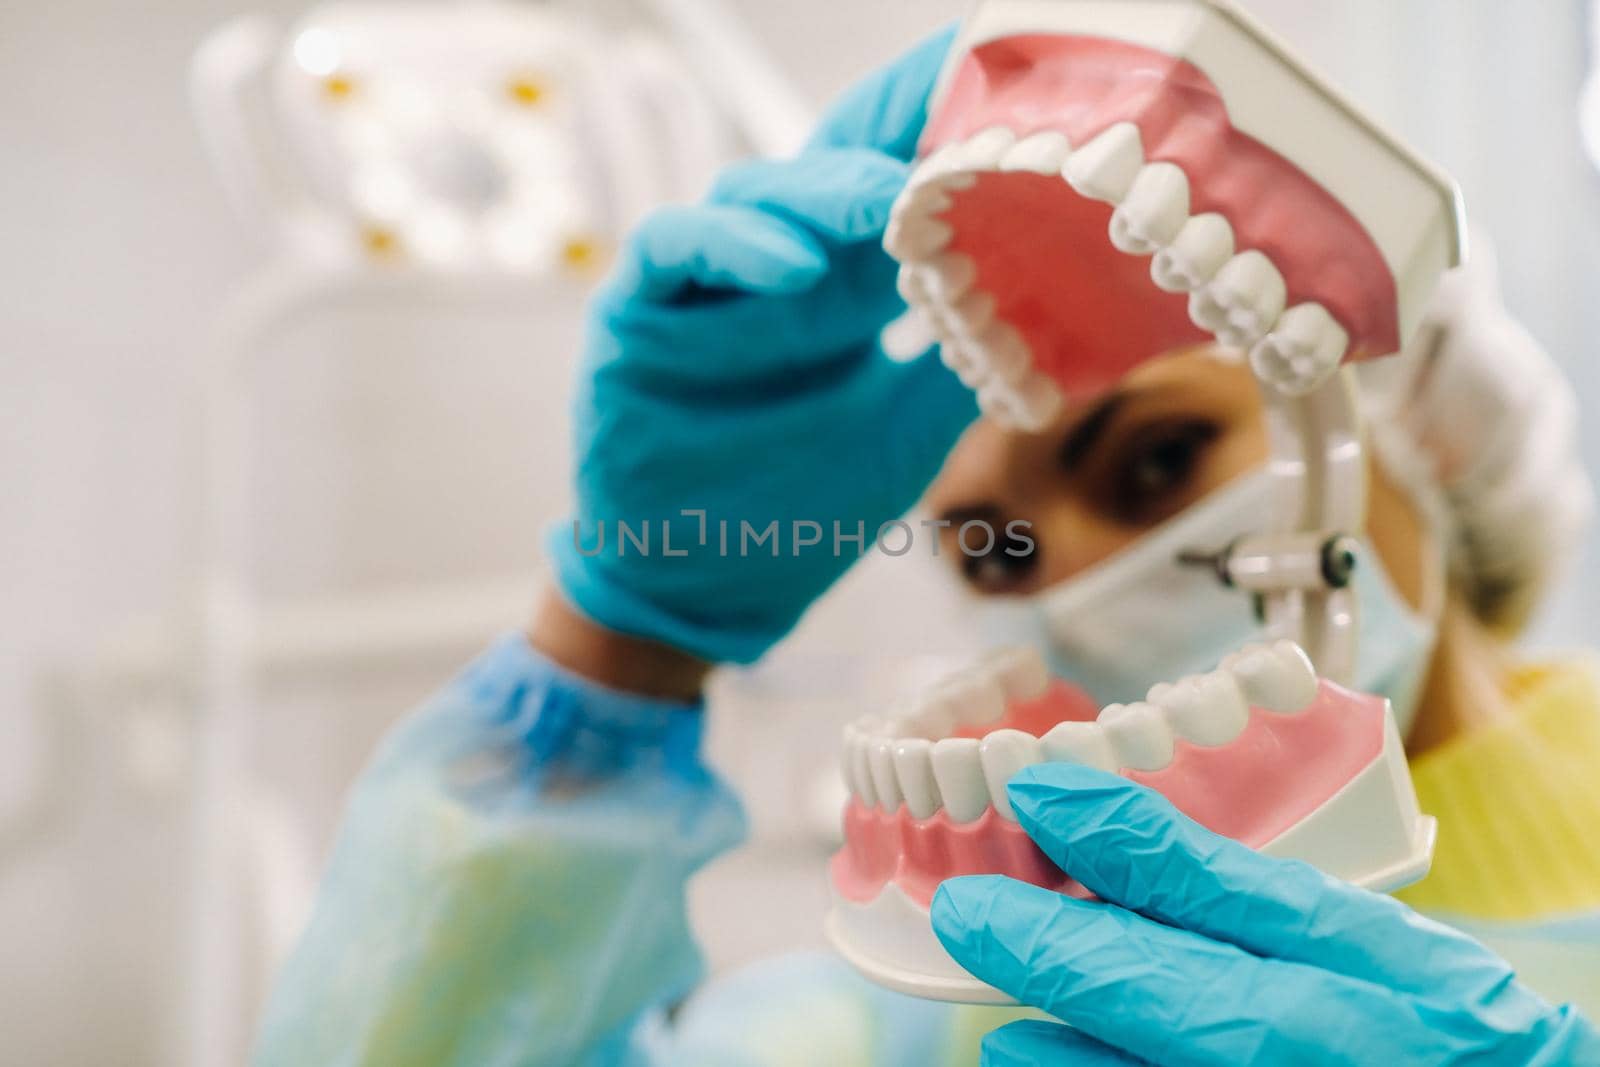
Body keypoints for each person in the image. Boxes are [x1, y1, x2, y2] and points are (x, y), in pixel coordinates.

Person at [252, 28, 1600, 1067]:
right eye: (994, 550)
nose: (1063, 572)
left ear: (1424, 423)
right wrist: (625, 644)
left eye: (1152, 463)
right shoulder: (947, 985)